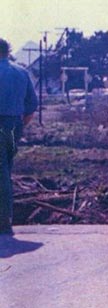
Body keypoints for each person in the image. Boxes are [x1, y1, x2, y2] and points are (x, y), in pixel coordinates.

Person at [0, 38, 38, 235]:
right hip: (14, 125)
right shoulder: (22, 72)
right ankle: (5, 218)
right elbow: (32, 105)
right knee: (5, 170)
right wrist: (19, 126)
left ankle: (3, 221)